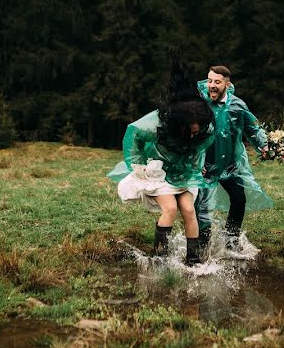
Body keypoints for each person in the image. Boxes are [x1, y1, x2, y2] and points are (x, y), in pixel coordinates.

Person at [108, 62, 215, 266]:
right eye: (190, 130)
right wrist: (139, 166)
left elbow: (199, 150)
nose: (195, 134)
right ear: (179, 125)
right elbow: (133, 135)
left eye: (197, 130)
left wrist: (195, 167)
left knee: (189, 210)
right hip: (159, 175)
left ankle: (193, 261)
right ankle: (159, 258)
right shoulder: (157, 126)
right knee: (171, 209)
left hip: (184, 175)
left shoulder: (202, 130)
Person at [194, 65, 273, 255]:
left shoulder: (238, 105)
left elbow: (252, 128)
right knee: (203, 208)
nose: (211, 85)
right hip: (206, 166)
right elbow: (189, 134)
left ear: (227, 85)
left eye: (217, 82)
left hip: (231, 165)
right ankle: (200, 248)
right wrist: (196, 162)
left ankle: (231, 241)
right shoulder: (199, 104)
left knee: (239, 200)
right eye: (210, 81)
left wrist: (264, 144)